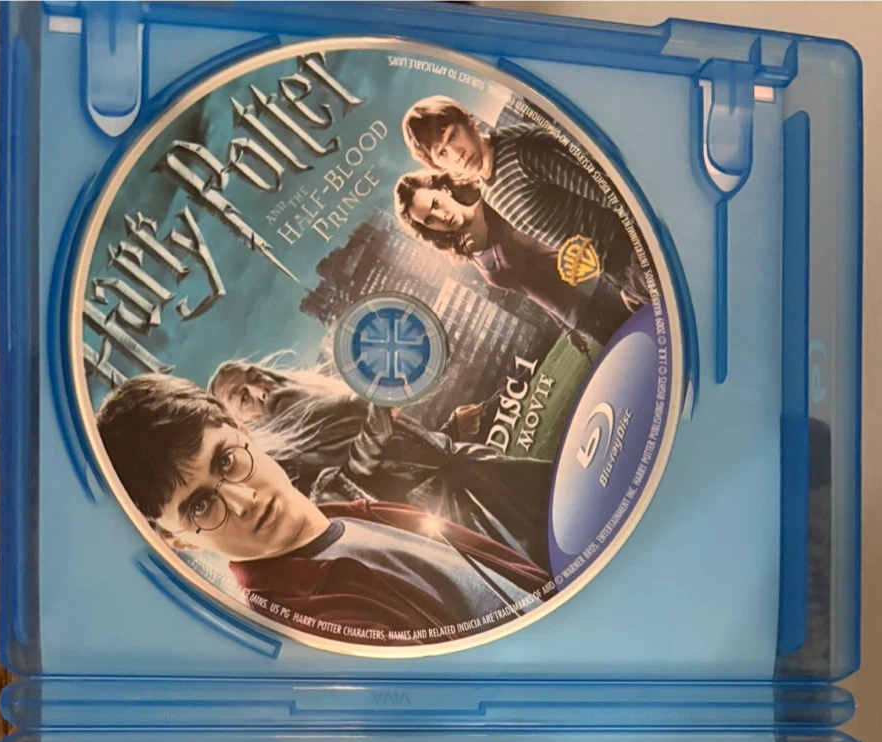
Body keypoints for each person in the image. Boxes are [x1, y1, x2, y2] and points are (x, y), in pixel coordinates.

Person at [95, 374, 551, 641]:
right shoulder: (310, 628)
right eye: (199, 507)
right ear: (175, 541)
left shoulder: (352, 515)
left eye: (226, 461)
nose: (243, 501)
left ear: (242, 430)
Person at [206, 357, 554, 569]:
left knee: (560, 498)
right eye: (243, 398)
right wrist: (381, 416)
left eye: (254, 377)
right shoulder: (283, 467)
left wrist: (449, 429)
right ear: (241, 423)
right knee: (537, 556)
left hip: (474, 469)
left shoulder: (314, 398)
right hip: (450, 514)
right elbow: (348, 489)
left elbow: (396, 452)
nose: (260, 390)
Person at [401, 97, 651, 309]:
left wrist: (643, 264)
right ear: (437, 165)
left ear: (466, 120)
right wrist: (625, 285)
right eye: (442, 153)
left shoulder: (521, 152)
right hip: (621, 273)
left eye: (453, 135)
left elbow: (613, 195)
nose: (457, 154)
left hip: (634, 254)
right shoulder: (488, 188)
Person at [394, 171, 633, 348]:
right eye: (429, 220)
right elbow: (531, 289)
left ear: (444, 190)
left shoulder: (494, 202)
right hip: (580, 319)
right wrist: (566, 328)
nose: (440, 216)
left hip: (599, 289)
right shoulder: (468, 252)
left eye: (435, 204)